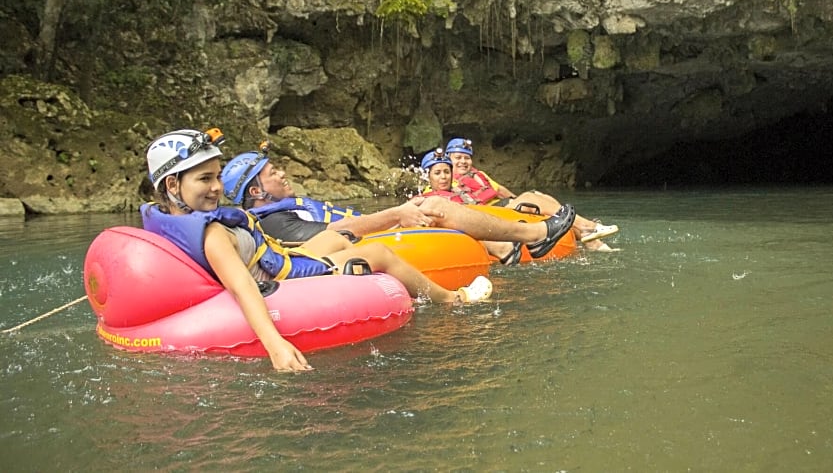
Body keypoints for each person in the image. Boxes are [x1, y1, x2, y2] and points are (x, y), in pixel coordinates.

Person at [141, 129, 495, 372]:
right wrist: (276, 346)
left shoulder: (166, 219)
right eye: (204, 179)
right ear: (172, 184)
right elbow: (242, 286)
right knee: (380, 255)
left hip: (274, 255)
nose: (216, 187)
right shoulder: (213, 234)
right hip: (283, 274)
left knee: (337, 239)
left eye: (217, 176)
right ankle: (453, 300)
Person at [219, 145, 577, 265]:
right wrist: (397, 215)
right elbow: (334, 235)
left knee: (429, 203)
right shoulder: (273, 221)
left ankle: (502, 244)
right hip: (363, 248)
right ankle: (534, 234)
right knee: (436, 206)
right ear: (256, 193)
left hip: (377, 234)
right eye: (271, 174)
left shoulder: (287, 205)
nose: (281, 174)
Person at [445, 137, 619, 248]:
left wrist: (516, 201)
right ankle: (587, 226)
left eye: (466, 157)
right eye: (457, 157)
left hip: (502, 208)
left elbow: (501, 191)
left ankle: (590, 239)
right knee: (529, 197)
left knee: (540, 197)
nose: (463, 161)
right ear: (448, 159)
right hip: (486, 216)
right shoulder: (444, 180)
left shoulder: (478, 175)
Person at [414, 148, 522, 264]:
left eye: (446, 172)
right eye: (437, 173)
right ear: (427, 176)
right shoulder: (424, 199)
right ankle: (501, 247)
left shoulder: (460, 188)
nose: (444, 177)